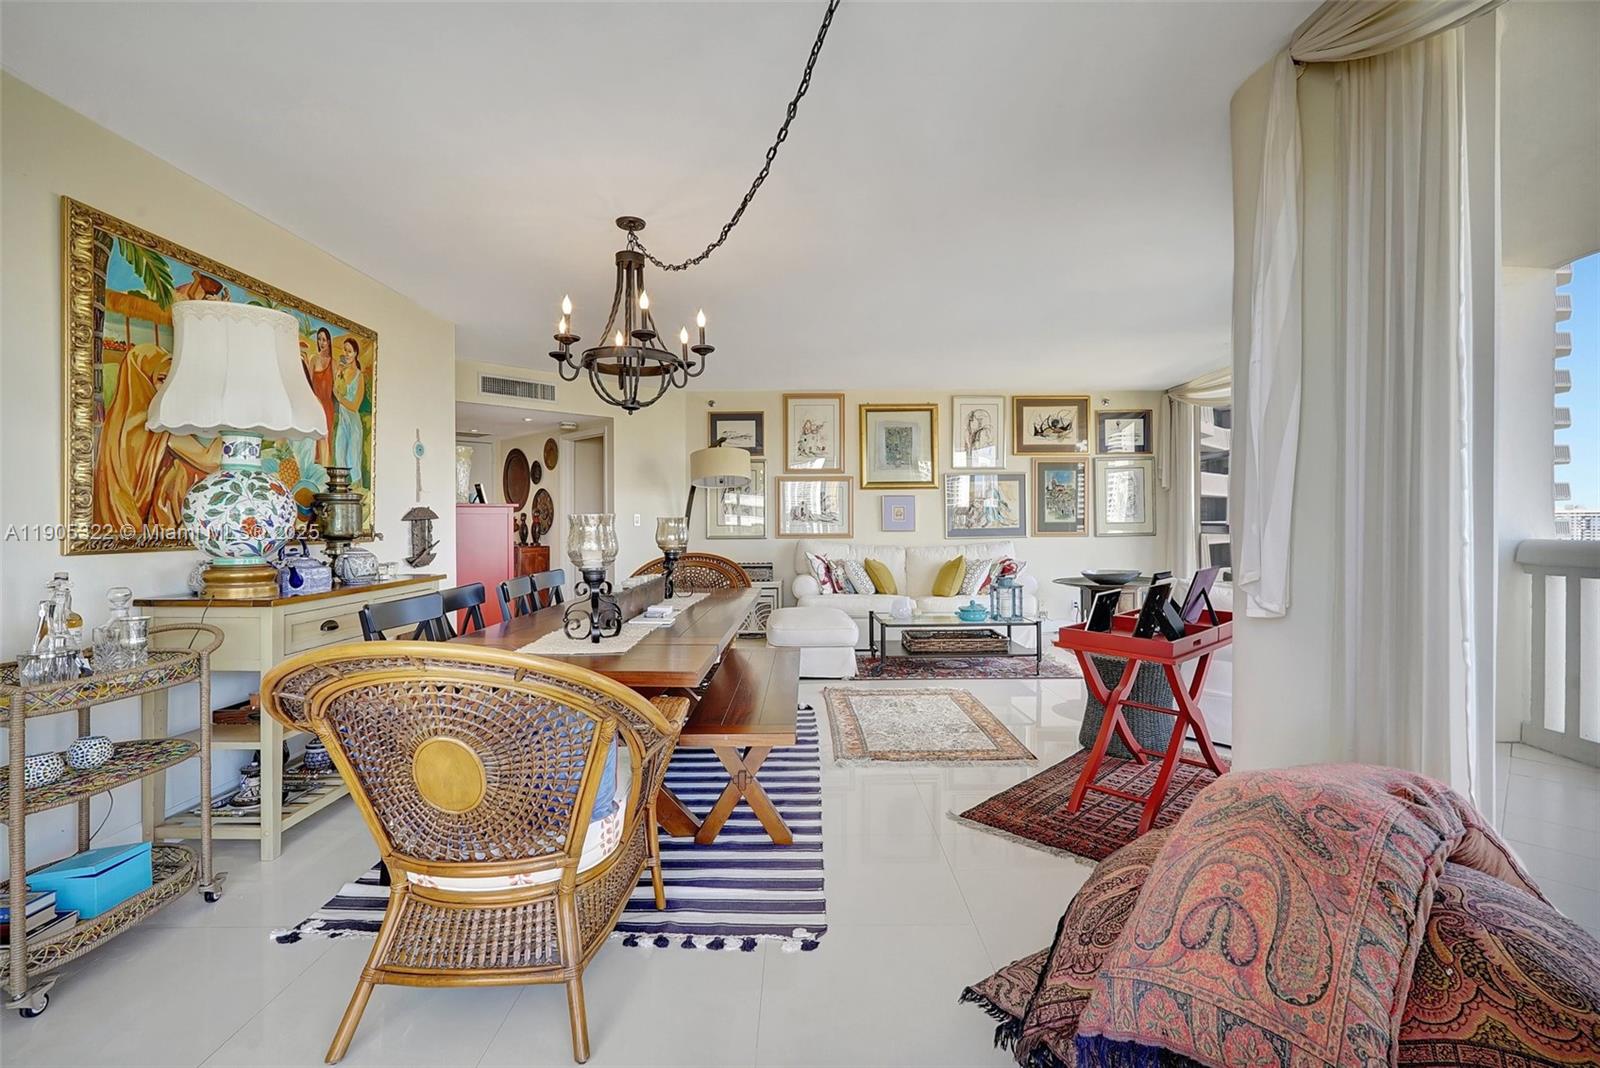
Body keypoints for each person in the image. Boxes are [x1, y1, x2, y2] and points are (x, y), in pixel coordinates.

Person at [333, 336, 366, 484]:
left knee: (353, 461)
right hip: (343, 422)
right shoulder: (342, 372)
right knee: (340, 459)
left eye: (349, 351)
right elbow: (334, 390)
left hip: (353, 425)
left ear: (356, 353)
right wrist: (339, 372)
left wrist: (340, 399)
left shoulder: (360, 376)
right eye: (344, 350)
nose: (346, 354)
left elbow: (355, 406)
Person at [307, 327, 336, 465]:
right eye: (319, 339)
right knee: (314, 438)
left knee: (326, 438)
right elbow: (308, 384)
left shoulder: (333, 363)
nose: (321, 342)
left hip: (328, 406)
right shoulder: (314, 359)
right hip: (314, 404)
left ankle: (325, 470)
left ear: (329, 342)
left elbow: (337, 388)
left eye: (324, 340)